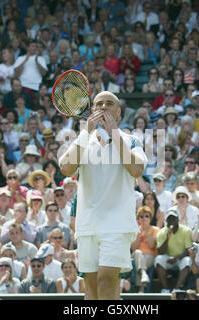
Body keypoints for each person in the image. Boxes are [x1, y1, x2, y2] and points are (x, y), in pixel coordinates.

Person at [58, 90, 148, 300]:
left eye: (109, 104)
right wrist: (85, 132)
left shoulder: (131, 140)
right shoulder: (83, 140)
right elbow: (66, 168)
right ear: (92, 111)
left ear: (118, 113)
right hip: (87, 224)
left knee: (106, 280)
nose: (103, 107)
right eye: (99, 104)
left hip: (117, 223)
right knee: (92, 288)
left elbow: (136, 170)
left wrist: (114, 134)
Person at [155, 207, 193, 294]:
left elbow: (188, 249)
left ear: (177, 219)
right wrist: (167, 238)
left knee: (187, 261)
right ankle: (165, 288)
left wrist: (176, 258)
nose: (171, 221)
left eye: (173, 218)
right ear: (166, 220)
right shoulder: (161, 232)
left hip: (181, 257)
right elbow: (160, 252)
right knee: (159, 259)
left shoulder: (186, 230)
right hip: (167, 257)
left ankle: (177, 288)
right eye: (169, 219)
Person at [131, 206, 159, 293]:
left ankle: (141, 289)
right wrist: (138, 234)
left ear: (150, 218)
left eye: (146, 216)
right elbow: (133, 248)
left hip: (150, 256)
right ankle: (143, 274)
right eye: (141, 216)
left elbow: (152, 246)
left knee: (140, 261)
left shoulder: (155, 229)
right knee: (138, 253)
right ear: (138, 219)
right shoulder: (134, 231)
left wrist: (146, 231)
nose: (144, 218)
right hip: (137, 255)